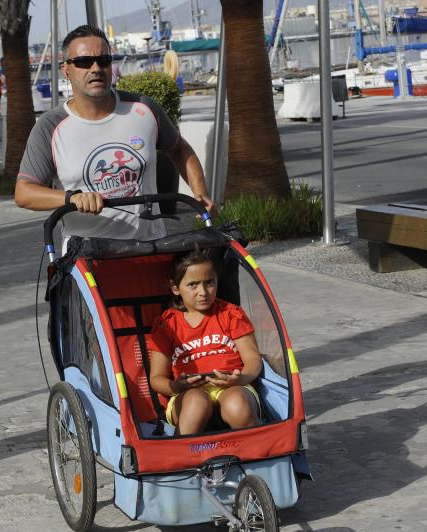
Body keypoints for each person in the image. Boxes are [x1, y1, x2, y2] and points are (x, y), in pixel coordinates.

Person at [14, 24, 213, 245]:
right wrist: (72, 198)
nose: (95, 68)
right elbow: (24, 193)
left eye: (104, 60)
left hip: (152, 248)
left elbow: (178, 148)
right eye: (83, 62)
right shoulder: (50, 126)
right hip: (89, 256)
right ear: (66, 70)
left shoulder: (143, 108)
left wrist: (200, 193)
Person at [148, 247, 263, 435]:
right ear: (175, 288)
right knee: (196, 403)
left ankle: (258, 455)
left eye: (209, 282)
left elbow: (253, 360)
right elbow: (156, 379)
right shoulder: (167, 325)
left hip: (232, 386)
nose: (203, 292)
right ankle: (184, 458)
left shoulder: (230, 314)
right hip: (187, 393)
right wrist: (176, 386)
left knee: (238, 405)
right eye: (193, 285)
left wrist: (240, 378)